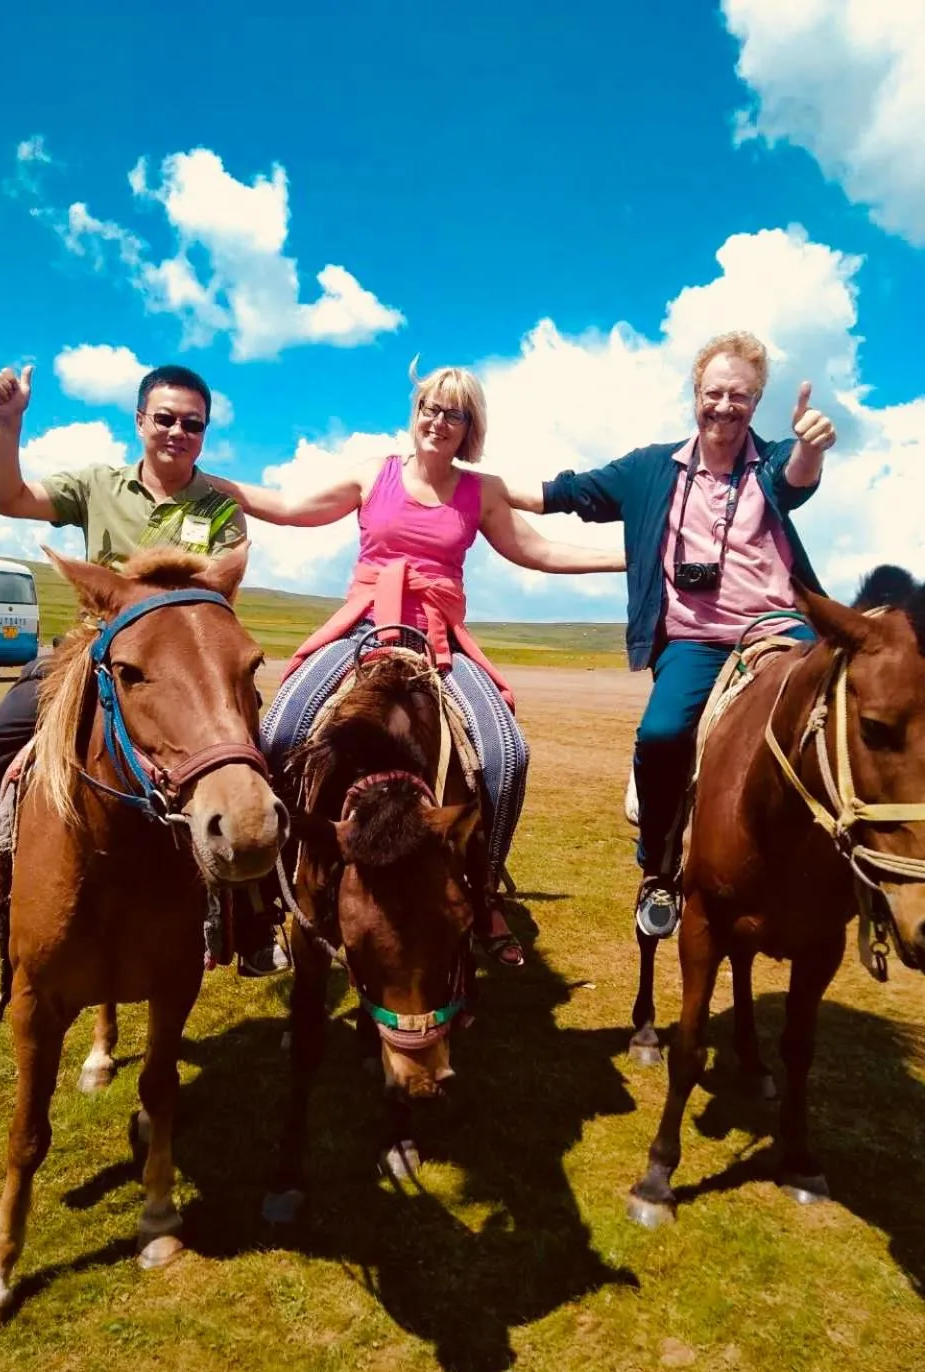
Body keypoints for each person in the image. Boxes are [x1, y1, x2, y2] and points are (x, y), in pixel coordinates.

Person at [208, 364, 626, 965]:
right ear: (416, 412)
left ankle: (482, 890)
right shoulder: (372, 474)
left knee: (508, 756)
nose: (438, 420)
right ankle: (270, 892)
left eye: (453, 413)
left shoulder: (480, 491)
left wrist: (628, 558)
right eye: (430, 407)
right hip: (362, 623)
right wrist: (209, 481)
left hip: (438, 637)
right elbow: (291, 507)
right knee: (280, 732)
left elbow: (538, 550)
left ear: (469, 426)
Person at [0, 362, 286, 972]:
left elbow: (218, 591)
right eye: (165, 419)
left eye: (192, 423)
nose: (177, 432)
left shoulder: (220, 506)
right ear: (140, 422)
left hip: (181, 661)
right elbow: (6, 497)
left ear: (205, 431)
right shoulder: (98, 485)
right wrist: (7, 424)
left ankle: (257, 917)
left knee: (248, 758)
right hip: (91, 647)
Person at [502, 331, 836, 939]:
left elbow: (797, 475)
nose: (725, 406)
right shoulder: (651, 470)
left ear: (757, 402)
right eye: (715, 392)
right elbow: (562, 494)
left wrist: (812, 445)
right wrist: (470, 481)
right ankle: (657, 869)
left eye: (740, 395)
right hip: (694, 641)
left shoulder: (770, 463)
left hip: (778, 628)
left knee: (832, 718)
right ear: (695, 395)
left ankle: (852, 867)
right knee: (659, 736)